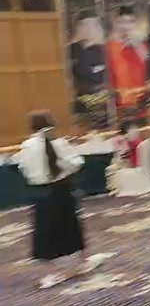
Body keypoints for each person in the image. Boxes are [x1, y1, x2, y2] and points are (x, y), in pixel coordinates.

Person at [14, 111, 97, 289]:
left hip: (40, 192)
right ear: (51, 124)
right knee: (71, 223)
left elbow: (24, 168)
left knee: (44, 230)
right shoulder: (59, 143)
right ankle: (82, 262)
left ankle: (50, 273)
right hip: (61, 188)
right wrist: (65, 162)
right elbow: (75, 164)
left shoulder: (27, 146)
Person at [106, 5, 149, 123]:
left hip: (141, 106)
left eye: (130, 22)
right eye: (122, 22)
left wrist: (137, 45)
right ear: (115, 23)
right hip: (119, 108)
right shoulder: (109, 47)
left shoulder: (142, 46)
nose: (126, 26)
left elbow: (149, 66)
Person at [68, 8, 108, 129]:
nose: (89, 29)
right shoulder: (69, 51)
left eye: (93, 25)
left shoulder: (104, 50)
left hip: (102, 104)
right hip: (78, 105)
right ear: (77, 28)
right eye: (84, 25)